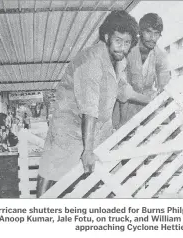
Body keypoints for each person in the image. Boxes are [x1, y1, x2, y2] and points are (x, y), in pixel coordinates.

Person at [37, 10, 153, 197]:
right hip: (69, 128)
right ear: (107, 37)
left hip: (97, 129)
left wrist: (151, 100)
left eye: (126, 43)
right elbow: (89, 108)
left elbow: (122, 89)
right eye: (118, 41)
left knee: (110, 177)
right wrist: (88, 150)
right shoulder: (92, 60)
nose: (122, 48)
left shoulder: (117, 60)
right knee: (53, 176)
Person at [113, 13, 170, 128]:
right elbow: (121, 88)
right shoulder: (126, 50)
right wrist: (151, 101)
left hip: (148, 112)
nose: (152, 38)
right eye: (148, 32)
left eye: (156, 34)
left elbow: (166, 88)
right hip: (123, 110)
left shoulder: (161, 56)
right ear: (140, 32)